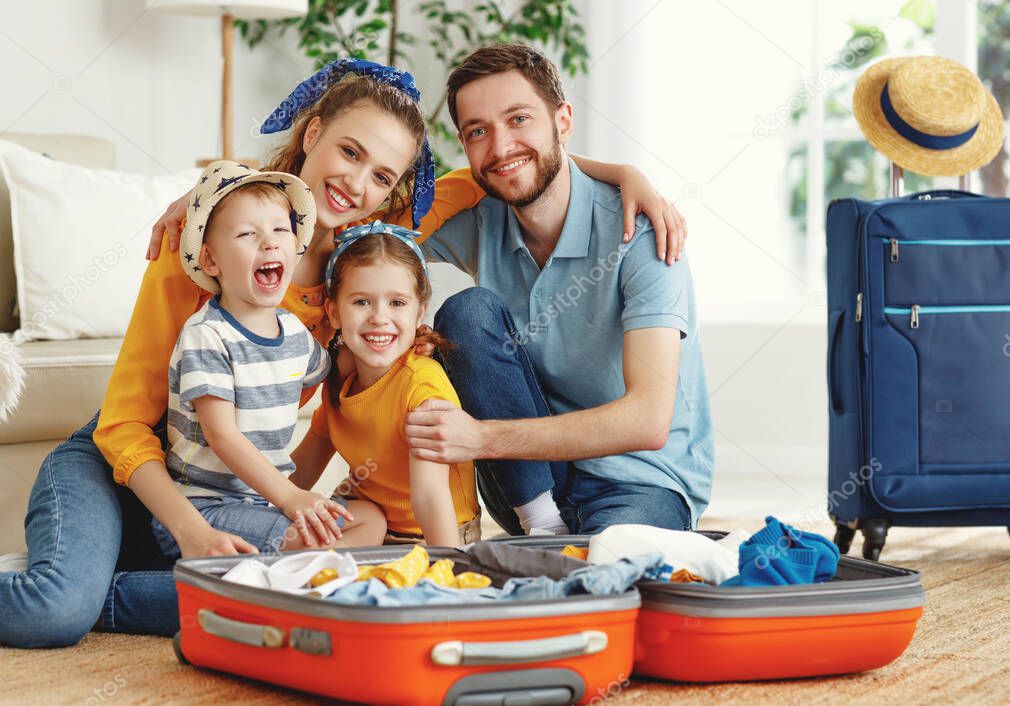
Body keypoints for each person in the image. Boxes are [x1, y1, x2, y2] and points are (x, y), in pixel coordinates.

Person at [0, 54, 682, 647]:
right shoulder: (205, 248)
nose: (358, 185)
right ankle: (87, 578)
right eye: (351, 153)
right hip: (127, 464)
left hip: (227, 491)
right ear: (314, 131)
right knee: (56, 613)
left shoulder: (362, 256)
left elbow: (501, 170)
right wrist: (189, 525)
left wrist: (623, 173)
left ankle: (116, 581)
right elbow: (123, 425)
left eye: (383, 176)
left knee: (329, 576)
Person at [403, 44, 715, 536]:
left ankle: (551, 550)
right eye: (478, 132)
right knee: (468, 312)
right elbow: (367, 241)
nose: (501, 148)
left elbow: (648, 421)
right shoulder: (479, 220)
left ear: (563, 121)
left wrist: (479, 438)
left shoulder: (643, 231)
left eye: (519, 119)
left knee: (603, 578)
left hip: (639, 482)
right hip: (529, 488)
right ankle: (542, 526)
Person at [150, 162, 387, 559]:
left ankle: (289, 571)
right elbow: (222, 436)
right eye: (247, 234)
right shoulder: (206, 335)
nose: (271, 243)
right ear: (211, 262)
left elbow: (339, 369)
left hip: (265, 504)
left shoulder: (293, 332)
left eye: (281, 230)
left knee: (370, 519)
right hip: (208, 508)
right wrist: (293, 497)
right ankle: (297, 570)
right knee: (314, 536)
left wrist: (396, 341)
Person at [298, 222, 479, 547]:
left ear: (419, 312)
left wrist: (446, 571)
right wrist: (267, 510)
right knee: (288, 529)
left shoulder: (421, 384)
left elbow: (429, 497)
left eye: (397, 303)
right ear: (334, 312)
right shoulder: (340, 377)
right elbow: (302, 472)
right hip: (368, 522)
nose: (379, 317)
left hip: (432, 539)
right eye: (361, 302)